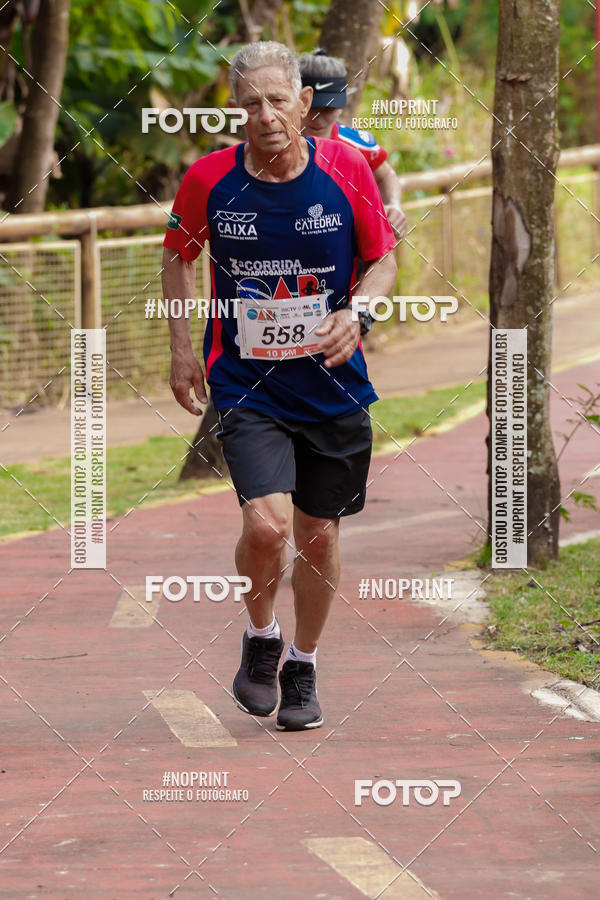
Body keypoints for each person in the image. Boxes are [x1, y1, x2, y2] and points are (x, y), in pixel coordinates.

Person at [162, 41, 397, 731]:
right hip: (247, 384)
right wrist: (182, 350)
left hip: (333, 385)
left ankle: (304, 662)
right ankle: (261, 638)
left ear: (304, 102)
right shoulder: (209, 179)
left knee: (318, 536)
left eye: (277, 100)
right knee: (266, 526)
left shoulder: (348, 169)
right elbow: (177, 257)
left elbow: (382, 261)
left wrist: (359, 311)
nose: (265, 116)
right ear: (237, 108)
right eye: (250, 103)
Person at [299, 49, 407, 239]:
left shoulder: (357, 144)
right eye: (310, 108)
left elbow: (386, 174)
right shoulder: (274, 145)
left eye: (328, 109)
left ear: (341, 106)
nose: (318, 118)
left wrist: (394, 205)